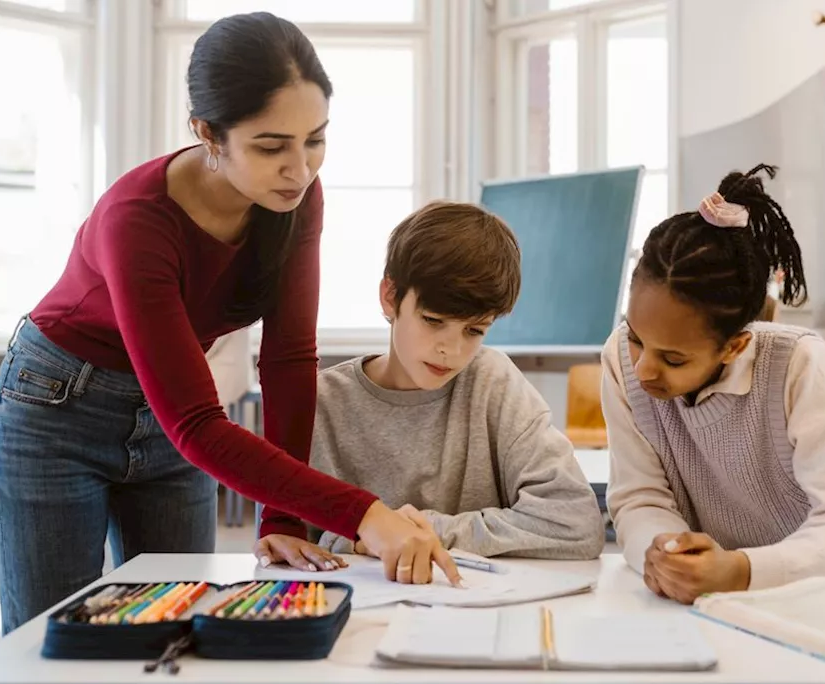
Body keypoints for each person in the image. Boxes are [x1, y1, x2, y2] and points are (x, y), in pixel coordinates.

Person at [0, 12, 457, 635]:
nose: (301, 168)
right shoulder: (137, 219)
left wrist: (281, 519)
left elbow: (289, 358)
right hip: (57, 407)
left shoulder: (295, 199)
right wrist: (365, 514)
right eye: (271, 145)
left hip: (170, 419)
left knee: (180, 634)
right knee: (53, 643)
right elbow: (197, 424)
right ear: (207, 133)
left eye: (315, 138)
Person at [253, 202, 605, 566]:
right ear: (390, 297)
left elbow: (576, 523)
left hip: (477, 607)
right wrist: (365, 535)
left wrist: (423, 531)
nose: (450, 350)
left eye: (474, 330)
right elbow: (283, 544)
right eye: (434, 320)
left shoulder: (493, 382)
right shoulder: (321, 404)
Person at [601, 164, 825, 604]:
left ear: (734, 347)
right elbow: (639, 497)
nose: (644, 370)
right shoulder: (619, 358)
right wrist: (661, 553)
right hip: (694, 606)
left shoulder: (797, 363)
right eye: (637, 338)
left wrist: (742, 571)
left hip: (804, 602)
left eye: (674, 359)